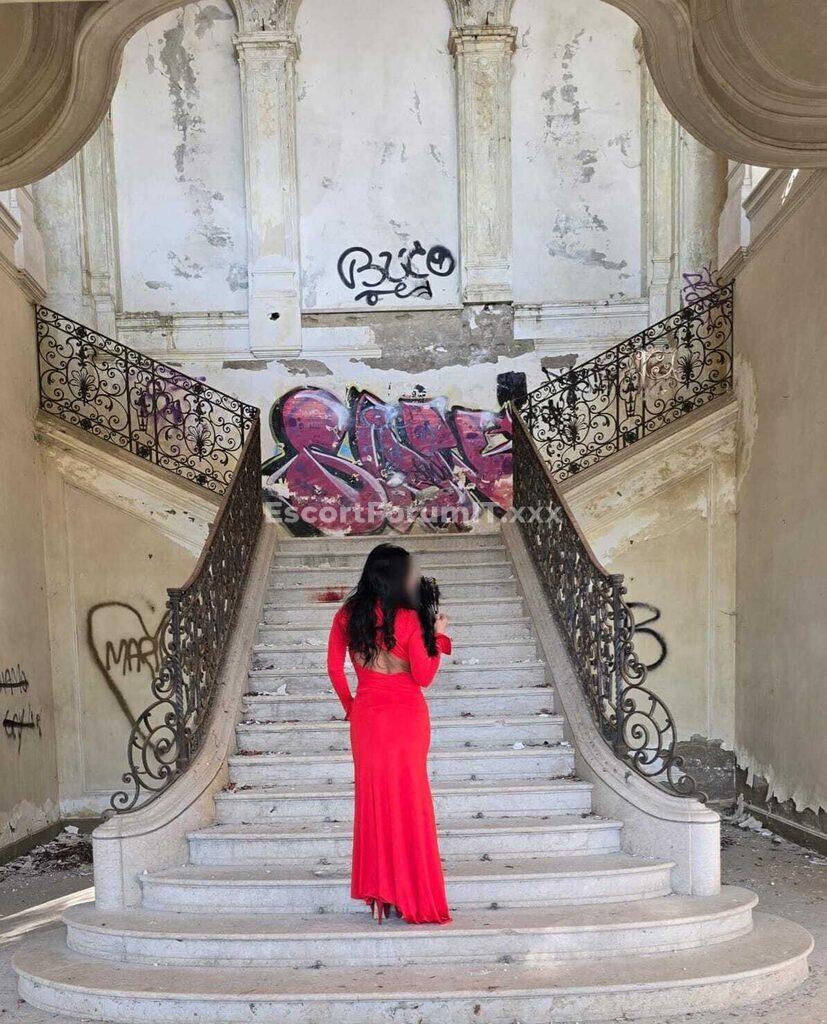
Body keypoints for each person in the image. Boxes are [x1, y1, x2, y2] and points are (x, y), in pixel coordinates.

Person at [326, 543, 452, 925]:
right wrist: (438, 636)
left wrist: (351, 706)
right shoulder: (411, 618)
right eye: (410, 571)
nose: (415, 577)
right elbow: (424, 676)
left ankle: (384, 892)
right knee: (411, 799)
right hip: (407, 717)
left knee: (375, 801)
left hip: (367, 716)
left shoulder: (347, 615)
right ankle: (412, 892)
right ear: (397, 576)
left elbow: (334, 669)